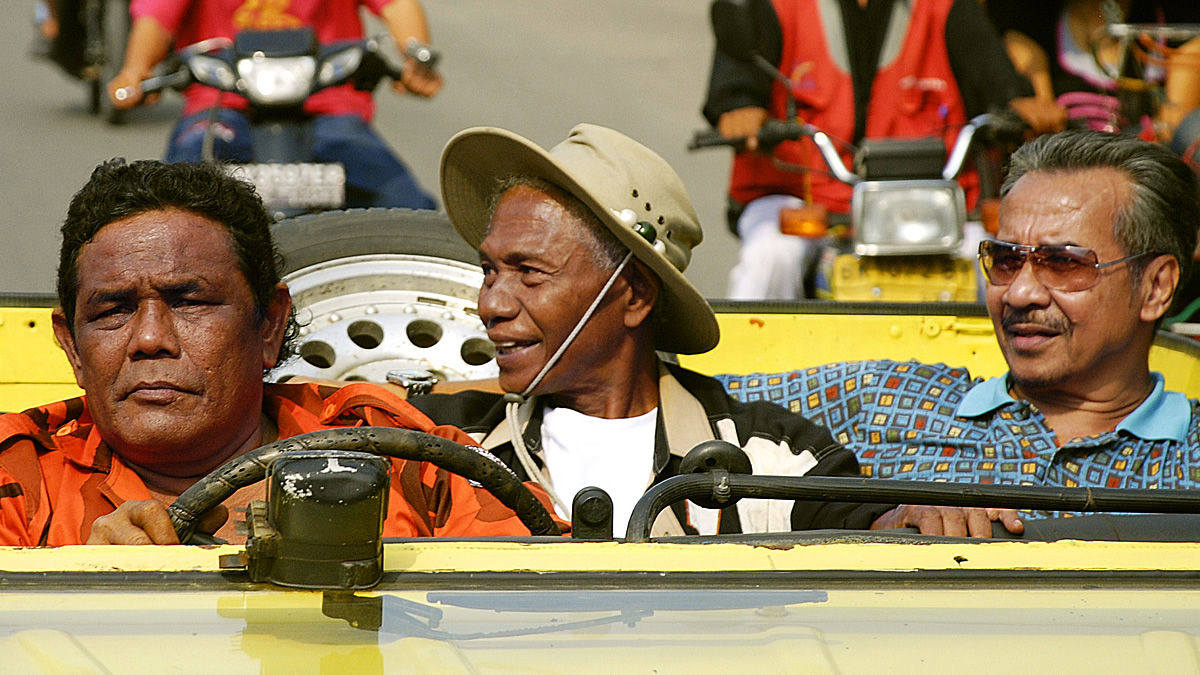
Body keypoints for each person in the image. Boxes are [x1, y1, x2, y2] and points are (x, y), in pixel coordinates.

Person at [410, 123, 1001, 538]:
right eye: (489, 271)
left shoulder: (772, 455)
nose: (490, 303)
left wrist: (908, 520)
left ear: (634, 294)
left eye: (529, 273)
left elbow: (859, 527)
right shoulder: (438, 441)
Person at [0, 159, 555, 546]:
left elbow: (550, 604)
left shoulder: (399, 451)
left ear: (269, 324)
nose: (149, 339)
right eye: (113, 311)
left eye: (189, 302)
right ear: (72, 347)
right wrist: (78, 586)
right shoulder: (17, 479)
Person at [716, 129, 1199, 522]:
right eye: (1006, 260)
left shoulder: (1190, 457)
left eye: (1064, 263)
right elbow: (695, 402)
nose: (1019, 293)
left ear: (1155, 287)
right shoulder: (884, 400)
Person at [701, 0, 1068, 300]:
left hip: (929, 202)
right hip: (803, 196)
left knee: (992, 263)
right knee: (770, 257)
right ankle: (744, 369)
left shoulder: (945, 6)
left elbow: (994, 76)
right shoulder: (773, 5)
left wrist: (1019, 102)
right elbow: (736, 81)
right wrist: (739, 108)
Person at [106, 0, 440, 209]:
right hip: (221, 105)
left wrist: (416, 55)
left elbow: (397, 5)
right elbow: (157, 16)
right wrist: (136, 68)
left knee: (407, 207)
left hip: (328, 106)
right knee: (172, 202)